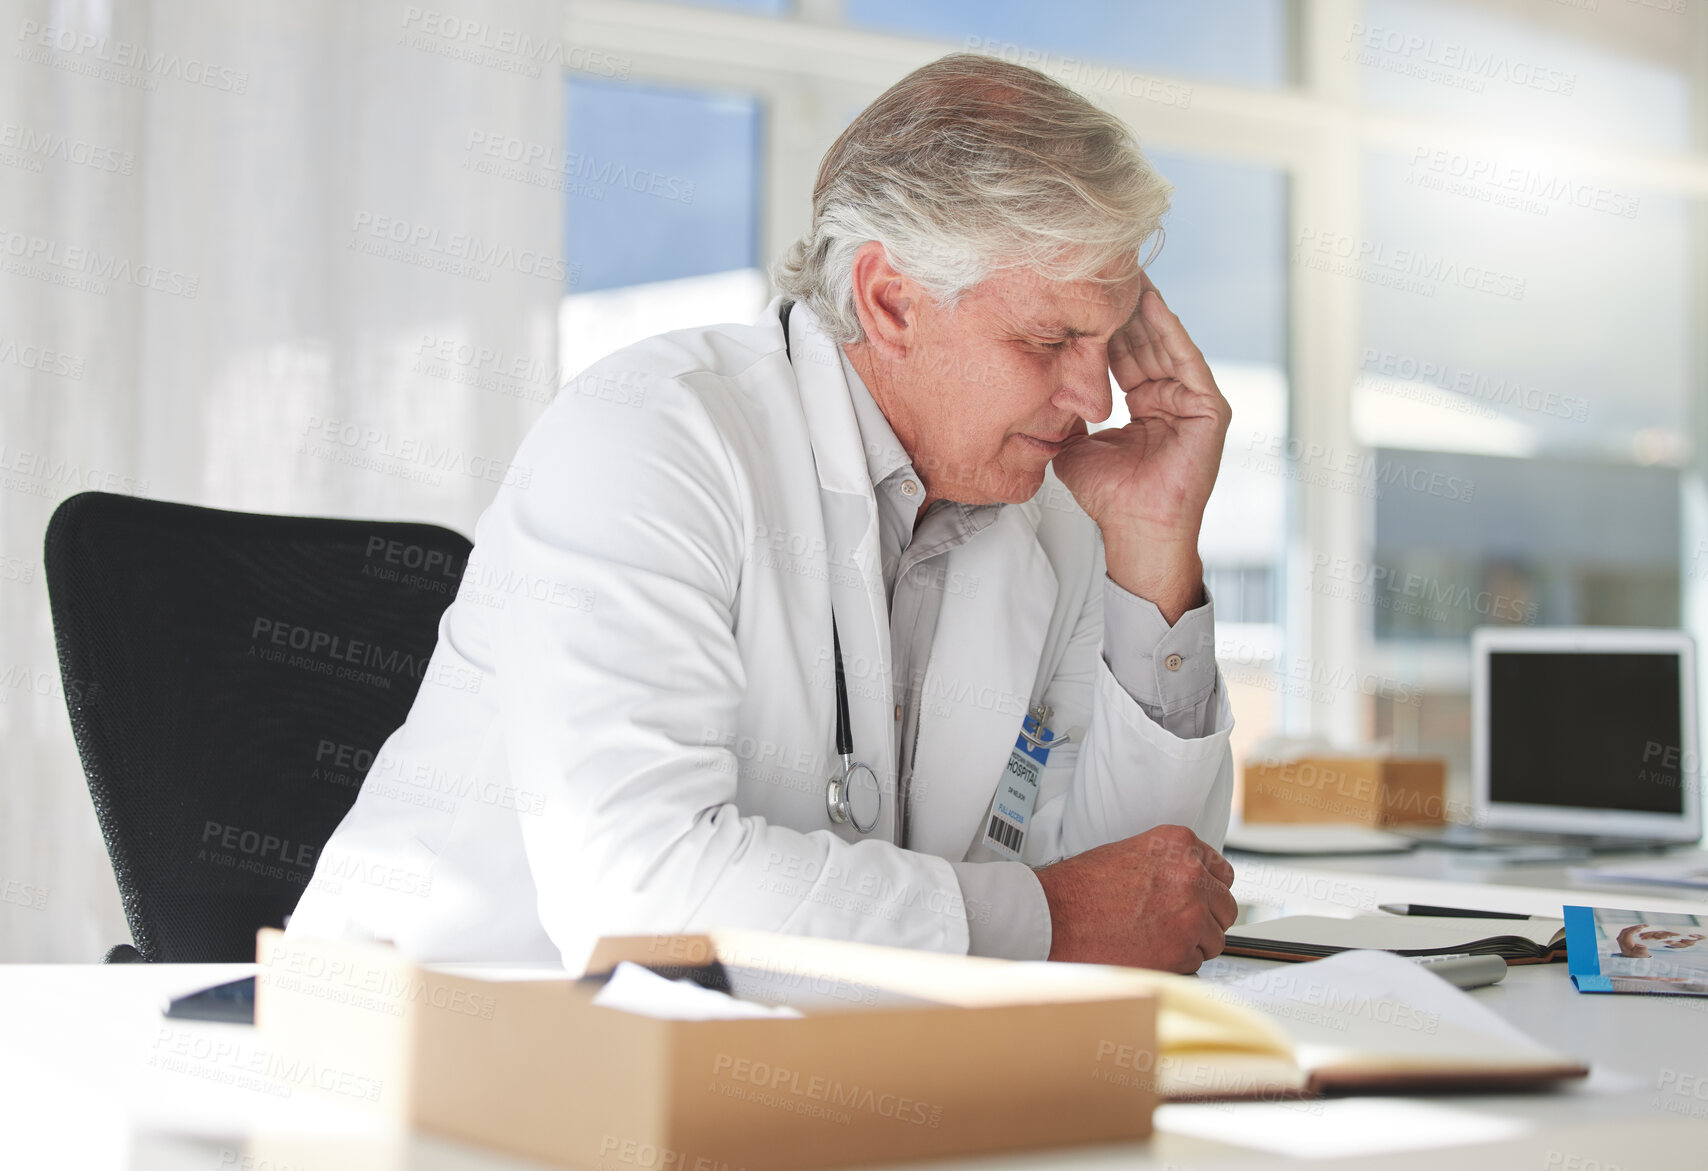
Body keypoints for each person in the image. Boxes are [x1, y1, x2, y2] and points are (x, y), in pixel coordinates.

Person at [287, 53, 1239, 975]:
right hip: (445, 1057)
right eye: (1051, 336)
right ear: (890, 300)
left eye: (1108, 342)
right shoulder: (651, 435)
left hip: (813, 1077)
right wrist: (1045, 916)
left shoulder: (1054, 514)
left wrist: (1156, 554)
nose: (1095, 397)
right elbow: (641, 899)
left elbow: (1147, 907)